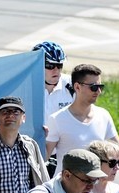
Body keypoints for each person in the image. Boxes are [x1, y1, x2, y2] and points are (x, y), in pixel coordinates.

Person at [45, 64, 119, 179]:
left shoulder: (103, 115)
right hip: (66, 191)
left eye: (101, 86)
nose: (98, 91)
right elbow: (43, 158)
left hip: (95, 190)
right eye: (93, 87)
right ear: (77, 87)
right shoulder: (57, 119)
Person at [33, 41, 74, 178]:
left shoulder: (72, 85)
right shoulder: (27, 85)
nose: (56, 70)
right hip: (35, 153)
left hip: (65, 154)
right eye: (50, 66)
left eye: (59, 65)